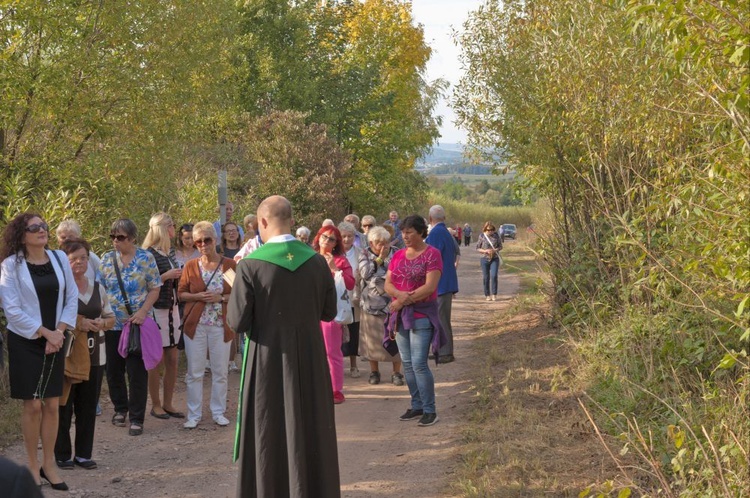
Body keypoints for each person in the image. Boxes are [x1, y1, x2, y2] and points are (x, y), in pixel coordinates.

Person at [227, 195, 339, 497]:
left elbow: (237, 322)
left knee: (269, 428)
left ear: (262, 222)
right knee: (311, 427)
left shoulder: (250, 266)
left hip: (267, 361)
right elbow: (329, 312)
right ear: (291, 219)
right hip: (311, 360)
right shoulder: (317, 261)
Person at [0, 212, 78, 490]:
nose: (42, 230)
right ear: (22, 235)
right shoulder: (11, 265)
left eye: (44, 226)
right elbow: (12, 309)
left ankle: (49, 464)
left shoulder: (58, 258)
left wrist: (58, 332)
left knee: (52, 405)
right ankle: (32, 465)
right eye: (34, 228)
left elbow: (72, 298)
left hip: (56, 337)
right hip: (25, 340)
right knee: (32, 405)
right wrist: (45, 333)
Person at [55, 238, 115, 470]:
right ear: (64, 262)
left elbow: (111, 318)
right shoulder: (60, 290)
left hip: (95, 356)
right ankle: (61, 455)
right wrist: (80, 323)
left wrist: (101, 323)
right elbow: (54, 319)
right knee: (63, 406)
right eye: (73, 259)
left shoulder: (97, 288)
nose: (79, 263)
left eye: (83, 258)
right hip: (67, 357)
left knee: (88, 407)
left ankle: (83, 454)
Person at [99, 219, 162, 437]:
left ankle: (137, 417)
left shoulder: (146, 258)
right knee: (114, 370)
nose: (115, 241)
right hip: (112, 325)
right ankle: (120, 408)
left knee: (136, 372)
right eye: (113, 237)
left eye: (121, 237)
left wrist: (143, 311)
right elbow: (100, 289)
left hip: (137, 324)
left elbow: (155, 288)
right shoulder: (107, 259)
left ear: (133, 238)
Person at [384, 215, 444, 427]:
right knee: (407, 365)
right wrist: (399, 298)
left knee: (419, 364)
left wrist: (402, 301)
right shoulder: (398, 255)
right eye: (403, 232)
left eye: (410, 232)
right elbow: (388, 283)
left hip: (421, 315)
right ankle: (417, 405)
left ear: (421, 232)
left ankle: (430, 409)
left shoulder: (432, 254)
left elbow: (430, 287)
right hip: (400, 317)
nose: (405, 236)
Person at [177, 222, 237, 429]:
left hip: (220, 325)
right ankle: (194, 414)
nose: (203, 244)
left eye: (207, 240)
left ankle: (218, 412)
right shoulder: (191, 266)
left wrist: (220, 297)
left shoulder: (228, 266)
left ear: (216, 240)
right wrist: (198, 296)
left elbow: (237, 293)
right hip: (196, 325)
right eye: (198, 241)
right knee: (195, 371)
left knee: (220, 371)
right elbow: (181, 293)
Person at [142, 213, 184, 419]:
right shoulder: (148, 254)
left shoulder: (170, 252)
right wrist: (166, 276)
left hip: (172, 309)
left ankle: (168, 403)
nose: (174, 228)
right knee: (155, 360)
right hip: (156, 311)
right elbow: (143, 284)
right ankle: (155, 404)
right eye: (172, 225)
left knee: (173, 358)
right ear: (163, 228)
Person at [313, 225, 355, 404]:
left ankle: (336, 390)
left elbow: (351, 284)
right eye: (325, 236)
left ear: (336, 243)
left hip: (332, 312)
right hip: (310, 311)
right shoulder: (309, 258)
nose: (327, 241)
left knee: (332, 352)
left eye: (332, 239)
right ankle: (315, 389)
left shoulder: (341, 261)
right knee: (313, 352)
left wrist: (334, 269)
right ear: (318, 237)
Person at [357, 226, 403, 385]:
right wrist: (380, 259)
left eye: (386, 242)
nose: (383, 246)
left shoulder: (397, 252)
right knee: (372, 340)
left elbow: (402, 272)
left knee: (394, 337)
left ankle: (397, 373)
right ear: (371, 242)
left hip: (393, 302)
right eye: (378, 243)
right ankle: (374, 372)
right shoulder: (364, 253)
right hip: (371, 302)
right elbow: (365, 273)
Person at [425, 205, 459, 364]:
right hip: (445, 281)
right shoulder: (445, 232)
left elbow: (431, 257)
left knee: (441, 318)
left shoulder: (436, 233)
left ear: (430, 218)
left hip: (441, 283)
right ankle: (439, 349)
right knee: (439, 317)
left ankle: (446, 352)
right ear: (443, 218)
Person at [338, 222, 362, 378]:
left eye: (350, 236)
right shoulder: (334, 254)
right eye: (344, 236)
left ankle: (354, 366)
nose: (346, 239)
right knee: (336, 331)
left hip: (354, 297)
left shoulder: (361, 253)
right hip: (337, 299)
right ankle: (337, 365)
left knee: (353, 331)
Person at [477, 222, 503, 301]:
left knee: (494, 276)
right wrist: (485, 251)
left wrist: (495, 250)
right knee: (486, 277)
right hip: (484, 258)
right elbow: (478, 248)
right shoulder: (481, 236)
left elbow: (500, 246)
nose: (491, 231)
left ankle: (494, 294)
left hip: (494, 258)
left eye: (492, 230)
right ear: (485, 229)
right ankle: (487, 295)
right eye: (489, 230)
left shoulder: (496, 235)